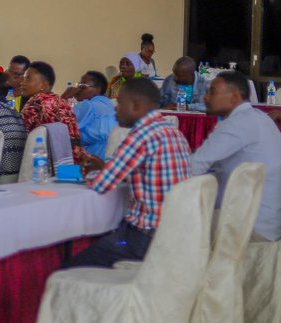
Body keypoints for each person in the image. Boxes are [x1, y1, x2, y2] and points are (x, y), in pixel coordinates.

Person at [69, 78, 192, 267]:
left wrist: (91, 174)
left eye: (120, 103)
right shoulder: (173, 132)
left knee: (73, 266)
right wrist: (104, 167)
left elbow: (102, 184)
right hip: (174, 232)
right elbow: (142, 172)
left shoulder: (140, 136)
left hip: (143, 237)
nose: (115, 109)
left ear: (135, 106)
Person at [191, 70, 281, 241]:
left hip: (254, 226)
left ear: (234, 97)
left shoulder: (237, 123)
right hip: (272, 222)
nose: (205, 97)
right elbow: (214, 164)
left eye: (212, 92)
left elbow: (194, 166)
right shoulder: (259, 118)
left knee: (181, 222)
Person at [20, 61, 87, 165]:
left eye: (28, 79)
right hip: (73, 162)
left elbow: (21, 134)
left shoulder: (36, 101)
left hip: (48, 165)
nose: (22, 83)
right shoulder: (61, 101)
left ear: (43, 85)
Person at [66, 71, 118, 159]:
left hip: (96, 158)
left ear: (97, 89)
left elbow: (60, 122)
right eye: (78, 85)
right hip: (113, 156)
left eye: (82, 86)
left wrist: (65, 97)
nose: (78, 89)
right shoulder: (110, 104)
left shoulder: (87, 105)